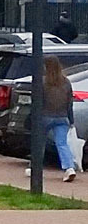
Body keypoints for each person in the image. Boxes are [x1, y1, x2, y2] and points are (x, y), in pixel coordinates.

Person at [38, 54, 79, 184]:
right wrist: (71, 120)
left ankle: (35, 167)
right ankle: (69, 168)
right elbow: (69, 103)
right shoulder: (66, 82)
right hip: (62, 117)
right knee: (62, 143)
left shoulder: (43, 82)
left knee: (39, 142)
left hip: (45, 116)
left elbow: (38, 101)